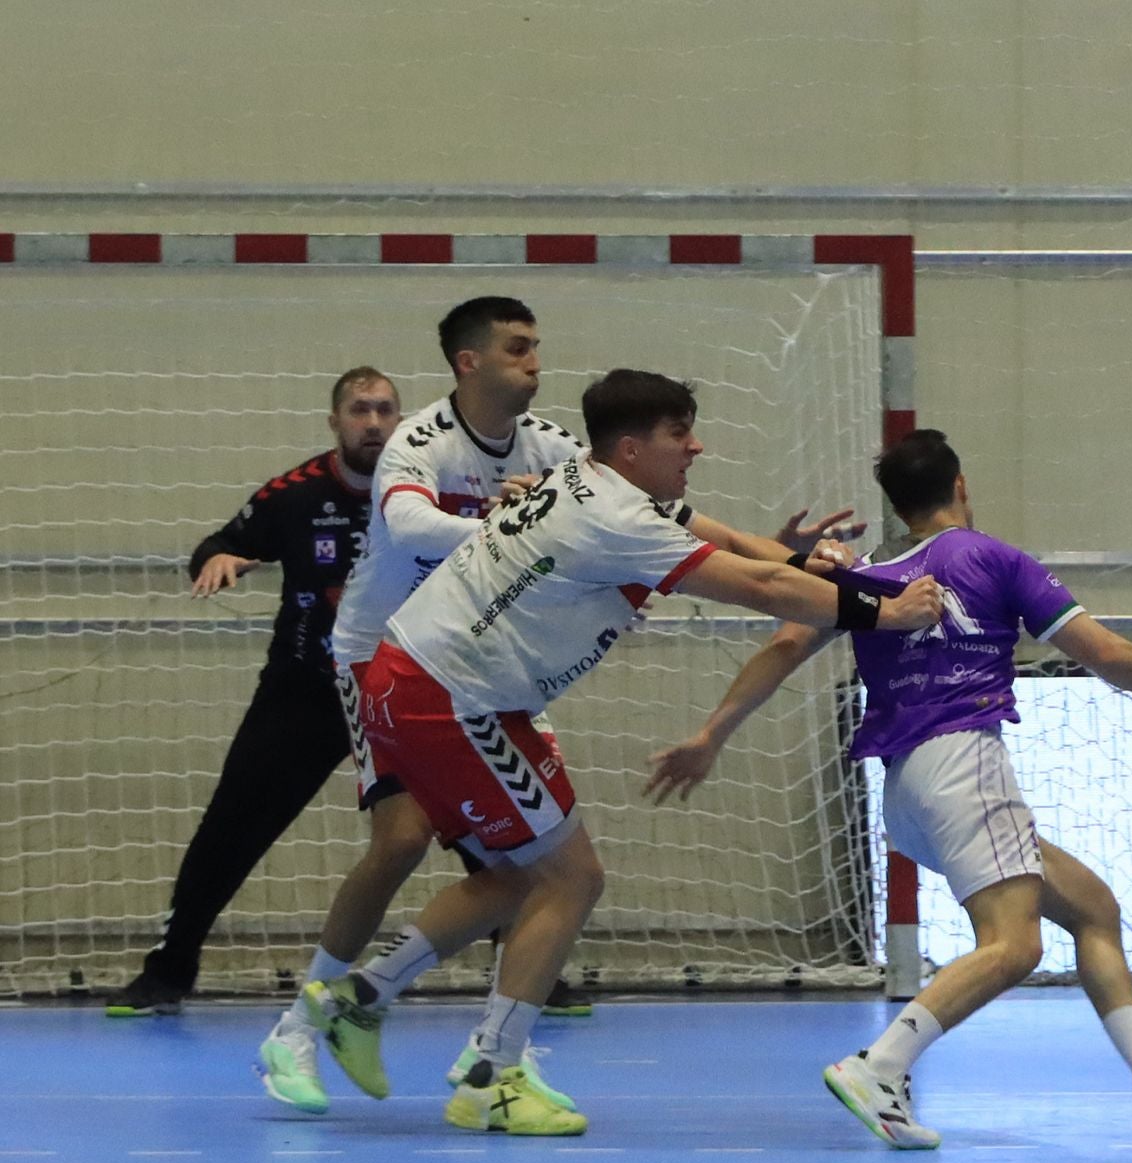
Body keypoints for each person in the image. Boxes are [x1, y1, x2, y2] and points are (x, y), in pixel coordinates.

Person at [256, 300, 863, 1114]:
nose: (535, 359)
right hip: (399, 652)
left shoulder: (552, 445)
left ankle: (375, 1007)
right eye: (518, 347)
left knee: (519, 869)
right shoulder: (422, 439)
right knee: (425, 843)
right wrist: (513, 526)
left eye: (538, 345)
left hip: (495, 666)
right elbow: (403, 522)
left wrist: (787, 552)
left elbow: (653, 514)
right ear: (469, 362)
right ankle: (312, 1028)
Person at [646, 428, 1132, 1151]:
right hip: (964, 760)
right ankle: (880, 1063)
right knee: (1014, 945)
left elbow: (780, 646)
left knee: (1091, 907)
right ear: (960, 485)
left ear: (897, 506)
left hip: (905, 794)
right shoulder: (992, 556)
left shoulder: (863, 578)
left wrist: (712, 733)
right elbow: (1103, 652)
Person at [104, 369, 399, 1016]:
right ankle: (168, 969)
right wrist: (217, 560)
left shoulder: (422, 493)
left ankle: (532, 969)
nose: (372, 422)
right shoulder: (295, 494)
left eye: (383, 410)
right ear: (335, 422)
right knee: (231, 826)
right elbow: (222, 542)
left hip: (400, 694)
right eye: (359, 410)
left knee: (478, 823)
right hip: (304, 691)